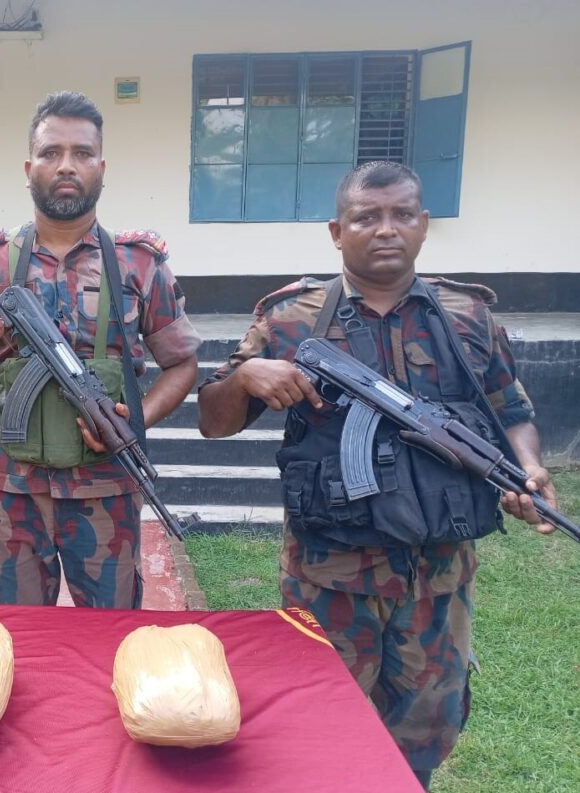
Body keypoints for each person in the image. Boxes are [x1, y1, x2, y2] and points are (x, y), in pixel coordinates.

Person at [197, 161, 557, 789]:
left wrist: (527, 468)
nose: (386, 229)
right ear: (338, 232)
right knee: (316, 735)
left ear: (424, 224)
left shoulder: (467, 317)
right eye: (367, 217)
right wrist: (245, 376)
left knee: (424, 737)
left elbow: (512, 412)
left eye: (402, 214)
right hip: (327, 578)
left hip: (438, 582)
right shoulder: (291, 319)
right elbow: (213, 422)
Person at [0, 91, 200, 608]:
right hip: (11, 490)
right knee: (19, 635)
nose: (66, 165)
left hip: (107, 486)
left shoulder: (139, 265)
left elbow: (182, 363)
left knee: (111, 634)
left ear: (102, 168)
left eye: (82, 153)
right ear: (29, 168)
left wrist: (133, 421)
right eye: (51, 153)